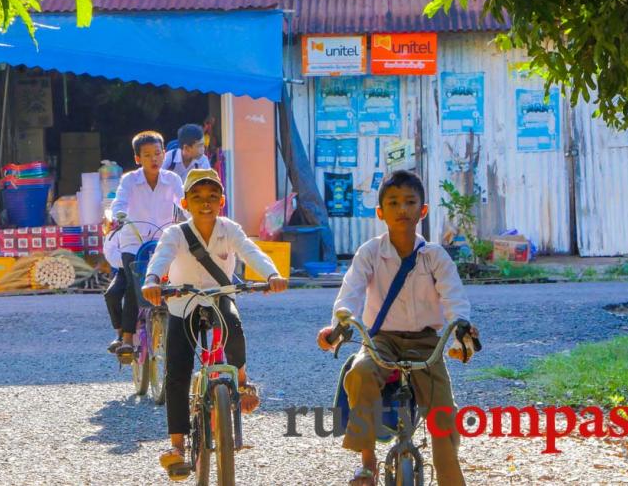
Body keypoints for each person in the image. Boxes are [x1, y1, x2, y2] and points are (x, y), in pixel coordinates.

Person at [316, 170, 478, 486]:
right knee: (360, 373)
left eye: (409, 201)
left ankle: (450, 480)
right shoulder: (370, 253)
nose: (401, 209)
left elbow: (454, 298)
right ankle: (367, 463)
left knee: (443, 412)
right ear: (381, 212)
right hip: (382, 340)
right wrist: (337, 327)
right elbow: (350, 293)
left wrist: (461, 333)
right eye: (393, 202)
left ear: (423, 210)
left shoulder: (435, 257)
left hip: (426, 341)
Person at [142, 168, 288, 479]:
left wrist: (272, 275)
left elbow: (252, 252)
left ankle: (243, 381)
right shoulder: (176, 234)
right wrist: (152, 280)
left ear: (221, 201)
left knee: (234, 327)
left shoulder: (230, 229)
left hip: (220, 297)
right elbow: (161, 258)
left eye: (211, 197)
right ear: (185, 203)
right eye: (197, 197)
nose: (205, 203)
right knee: (177, 371)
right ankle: (178, 445)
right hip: (183, 303)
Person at [110, 131, 185, 362]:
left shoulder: (172, 179)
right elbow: (119, 202)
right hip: (134, 240)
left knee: (178, 280)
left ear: (164, 154)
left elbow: (184, 203)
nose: (153, 158)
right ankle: (127, 338)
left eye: (157, 153)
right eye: (147, 155)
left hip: (163, 240)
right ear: (137, 158)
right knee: (136, 283)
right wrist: (118, 215)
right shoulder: (129, 180)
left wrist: (192, 217)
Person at [102, 224, 129, 353]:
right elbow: (111, 252)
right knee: (111, 295)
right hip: (127, 269)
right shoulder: (119, 229)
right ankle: (119, 333)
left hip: (155, 269)